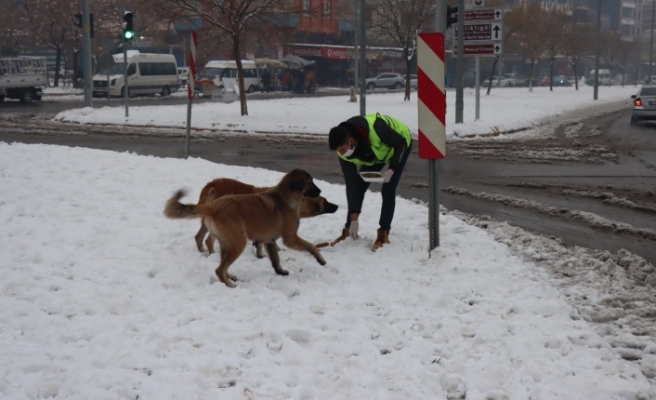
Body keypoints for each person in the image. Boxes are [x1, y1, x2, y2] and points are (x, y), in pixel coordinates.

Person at [328, 113, 412, 252]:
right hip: (376, 154)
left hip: (400, 144)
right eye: (338, 151)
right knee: (359, 185)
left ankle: (383, 233)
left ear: (350, 140)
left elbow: (400, 143)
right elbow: (352, 184)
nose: (341, 154)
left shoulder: (377, 128)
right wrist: (353, 219)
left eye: (342, 150)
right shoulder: (343, 150)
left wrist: (392, 169)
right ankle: (349, 230)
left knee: (388, 188)